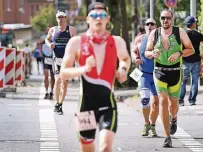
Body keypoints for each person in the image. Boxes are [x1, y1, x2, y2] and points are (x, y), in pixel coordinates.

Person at [60, 2, 131, 152]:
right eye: (94, 15)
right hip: (85, 106)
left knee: (105, 147)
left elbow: (125, 58)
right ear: (87, 19)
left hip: (108, 105)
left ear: (108, 19)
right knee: (87, 148)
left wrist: (123, 69)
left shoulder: (117, 41)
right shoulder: (76, 42)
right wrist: (83, 69)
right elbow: (63, 73)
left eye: (102, 15)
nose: (98, 18)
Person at [145, 9, 194, 147]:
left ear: (172, 19)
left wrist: (179, 53)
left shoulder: (180, 32)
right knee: (162, 102)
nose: (165, 20)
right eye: (162, 18)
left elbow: (191, 49)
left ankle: (174, 118)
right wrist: (151, 52)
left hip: (175, 72)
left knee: (173, 106)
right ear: (160, 19)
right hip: (159, 71)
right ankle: (167, 137)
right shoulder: (154, 33)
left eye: (167, 18)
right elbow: (146, 52)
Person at [45, 10, 76, 115]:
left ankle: (60, 104)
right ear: (56, 18)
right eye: (59, 17)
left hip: (67, 60)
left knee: (65, 83)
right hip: (56, 58)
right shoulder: (53, 30)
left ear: (65, 18)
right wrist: (49, 45)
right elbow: (47, 39)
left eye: (62, 17)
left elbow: (75, 43)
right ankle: (56, 103)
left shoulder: (71, 30)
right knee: (57, 80)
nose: (60, 19)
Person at [132, 18, 159, 137]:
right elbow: (133, 52)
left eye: (152, 24)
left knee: (156, 103)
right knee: (144, 100)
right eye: (147, 24)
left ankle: (152, 126)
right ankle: (146, 123)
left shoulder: (161, 39)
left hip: (158, 75)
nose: (149, 26)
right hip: (143, 74)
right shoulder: (140, 39)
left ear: (156, 26)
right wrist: (135, 59)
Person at [179, 16, 203, 106]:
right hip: (196, 60)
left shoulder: (183, 34)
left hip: (185, 60)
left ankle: (180, 100)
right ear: (193, 24)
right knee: (195, 81)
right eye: (195, 22)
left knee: (183, 81)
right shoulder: (198, 34)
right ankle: (192, 101)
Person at [40, 25, 55, 100]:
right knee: (46, 75)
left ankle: (51, 91)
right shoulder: (43, 38)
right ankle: (46, 92)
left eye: (50, 30)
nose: (49, 31)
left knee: (52, 76)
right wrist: (40, 52)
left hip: (52, 58)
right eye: (47, 30)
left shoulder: (55, 37)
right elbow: (39, 44)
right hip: (45, 58)